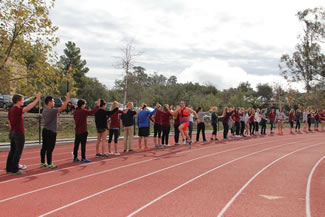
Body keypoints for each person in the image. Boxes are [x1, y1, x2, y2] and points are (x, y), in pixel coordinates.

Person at [6, 92, 41, 175]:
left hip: (13, 132)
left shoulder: (10, 110)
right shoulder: (17, 109)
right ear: (18, 101)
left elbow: (9, 123)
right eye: (22, 100)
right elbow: (27, 108)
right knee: (18, 151)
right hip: (18, 133)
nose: (23, 101)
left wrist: (12, 131)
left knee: (13, 150)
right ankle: (14, 169)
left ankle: (9, 168)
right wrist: (37, 100)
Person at [40, 93, 70, 169]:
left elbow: (53, 115)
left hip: (45, 130)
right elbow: (62, 107)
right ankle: (49, 163)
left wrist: (56, 114)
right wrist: (67, 100)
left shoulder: (44, 110)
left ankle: (43, 162)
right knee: (50, 148)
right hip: (51, 131)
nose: (54, 102)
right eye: (53, 101)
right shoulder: (52, 111)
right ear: (49, 102)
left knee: (44, 147)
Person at [73, 99, 100, 163]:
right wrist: (97, 106)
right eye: (84, 104)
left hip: (77, 130)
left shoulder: (75, 111)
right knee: (83, 145)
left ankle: (75, 157)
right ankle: (83, 157)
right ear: (82, 105)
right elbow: (92, 112)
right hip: (83, 130)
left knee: (76, 144)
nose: (85, 106)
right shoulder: (83, 111)